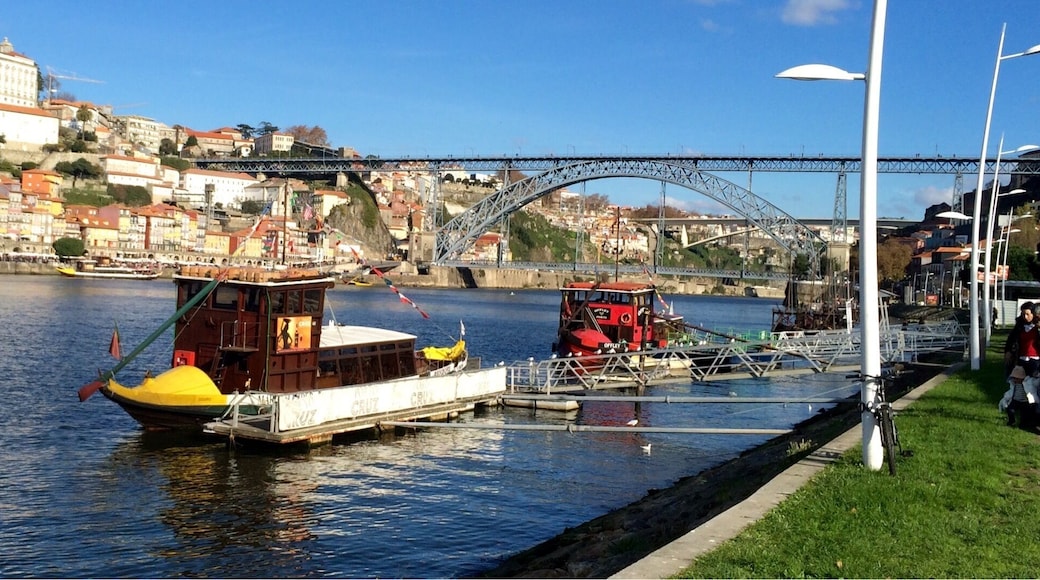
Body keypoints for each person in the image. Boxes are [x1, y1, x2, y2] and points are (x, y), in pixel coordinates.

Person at [1004, 302, 1040, 378]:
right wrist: (1008, 351)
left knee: (1033, 383)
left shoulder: (1037, 328)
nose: (1025, 317)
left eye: (1027, 314)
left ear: (1033, 314)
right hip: (1021, 358)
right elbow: (1011, 339)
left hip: (1036, 360)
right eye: (1023, 314)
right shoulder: (1019, 327)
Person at [1000, 365, 1038, 430]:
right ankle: (1012, 421)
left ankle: (1023, 424)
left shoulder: (1028, 382)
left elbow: (1036, 383)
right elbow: (1011, 391)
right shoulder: (1014, 384)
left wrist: (1037, 376)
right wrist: (1006, 398)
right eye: (1014, 378)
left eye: (1017, 378)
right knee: (1010, 410)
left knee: (1024, 415)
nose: (1015, 380)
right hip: (1015, 400)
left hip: (1025, 402)